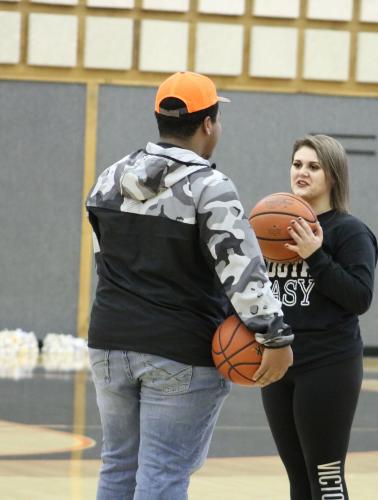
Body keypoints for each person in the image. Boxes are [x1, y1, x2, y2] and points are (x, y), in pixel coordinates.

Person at [85, 71, 293, 500]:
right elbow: (243, 273)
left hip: (108, 343)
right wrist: (274, 335)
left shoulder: (108, 178)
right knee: (162, 474)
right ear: (208, 124)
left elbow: (103, 261)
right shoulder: (209, 188)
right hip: (179, 349)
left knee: (118, 464)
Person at [261, 135, 378, 500]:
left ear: (333, 176)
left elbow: (359, 297)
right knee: (298, 479)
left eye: (313, 166)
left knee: (325, 480)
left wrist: (315, 255)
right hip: (280, 362)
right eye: (297, 164)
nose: (302, 172)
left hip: (328, 365)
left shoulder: (350, 231)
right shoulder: (271, 228)